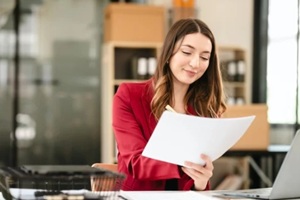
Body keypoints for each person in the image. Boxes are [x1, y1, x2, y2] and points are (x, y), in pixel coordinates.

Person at [112, 18, 227, 191]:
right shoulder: (129, 95)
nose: (195, 63)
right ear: (168, 53)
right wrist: (185, 164)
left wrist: (201, 183)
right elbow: (135, 162)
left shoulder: (205, 109)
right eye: (187, 52)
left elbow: (196, 184)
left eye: (204, 57)